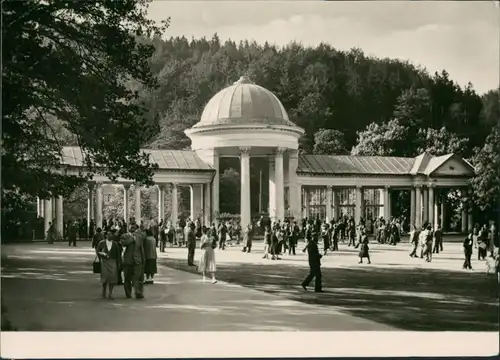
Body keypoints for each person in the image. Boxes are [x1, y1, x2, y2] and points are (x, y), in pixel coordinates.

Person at [120, 224, 145, 299]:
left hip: (137, 261)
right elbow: (123, 244)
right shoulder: (124, 236)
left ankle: (138, 292)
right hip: (128, 261)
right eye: (131, 227)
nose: (133, 229)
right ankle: (128, 294)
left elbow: (141, 249)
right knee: (127, 278)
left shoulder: (139, 237)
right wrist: (132, 239)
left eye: (134, 227)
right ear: (128, 228)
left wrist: (143, 259)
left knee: (138, 277)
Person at [95, 231, 122, 300]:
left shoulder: (115, 244)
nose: (110, 236)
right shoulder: (102, 243)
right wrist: (101, 255)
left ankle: (110, 293)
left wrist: (118, 263)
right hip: (104, 262)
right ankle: (104, 291)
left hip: (112, 262)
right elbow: (98, 251)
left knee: (112, 278)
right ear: (106, 236)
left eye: (111, 235)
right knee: (105, 277)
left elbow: (118, 254)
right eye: (108, 235)